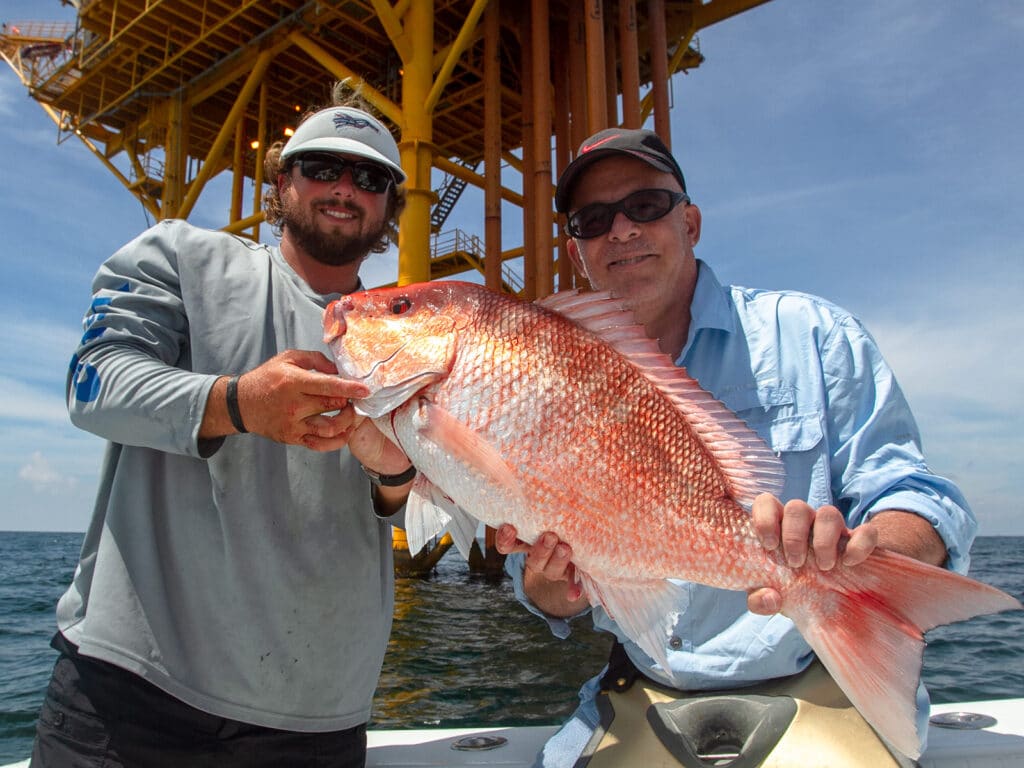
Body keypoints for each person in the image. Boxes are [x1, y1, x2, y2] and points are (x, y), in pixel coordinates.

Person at [496, 127, 977, 765]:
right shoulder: (539, 373)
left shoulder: (813, 334)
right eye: (594, 219)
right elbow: (548, 597)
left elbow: (913, 493)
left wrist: (864, 550)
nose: (621, 231)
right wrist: (550, 584)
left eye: (646, 206)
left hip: (822, 679)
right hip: (642, 685)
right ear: (576, 249)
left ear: (689, 222)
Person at [30, 90, 417, 768]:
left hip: (318, 717)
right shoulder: (180, 258)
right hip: (130, 694)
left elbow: (403, 507)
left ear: (390, 206)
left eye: (370, 178)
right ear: (281, 182)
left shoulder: (420, 336)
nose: (344, 188)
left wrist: (393, 474)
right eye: (322, 167)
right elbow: (93, 383)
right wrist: (237, 403)